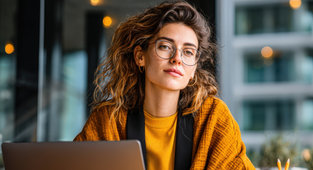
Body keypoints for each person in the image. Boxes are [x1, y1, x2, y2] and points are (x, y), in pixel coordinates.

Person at [74, 1, 255, 170]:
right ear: (140, 57)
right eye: (165, 46)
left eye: (188, 52)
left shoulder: (214, 118)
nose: (177, 58)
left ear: (193, 70)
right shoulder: (108, 120)